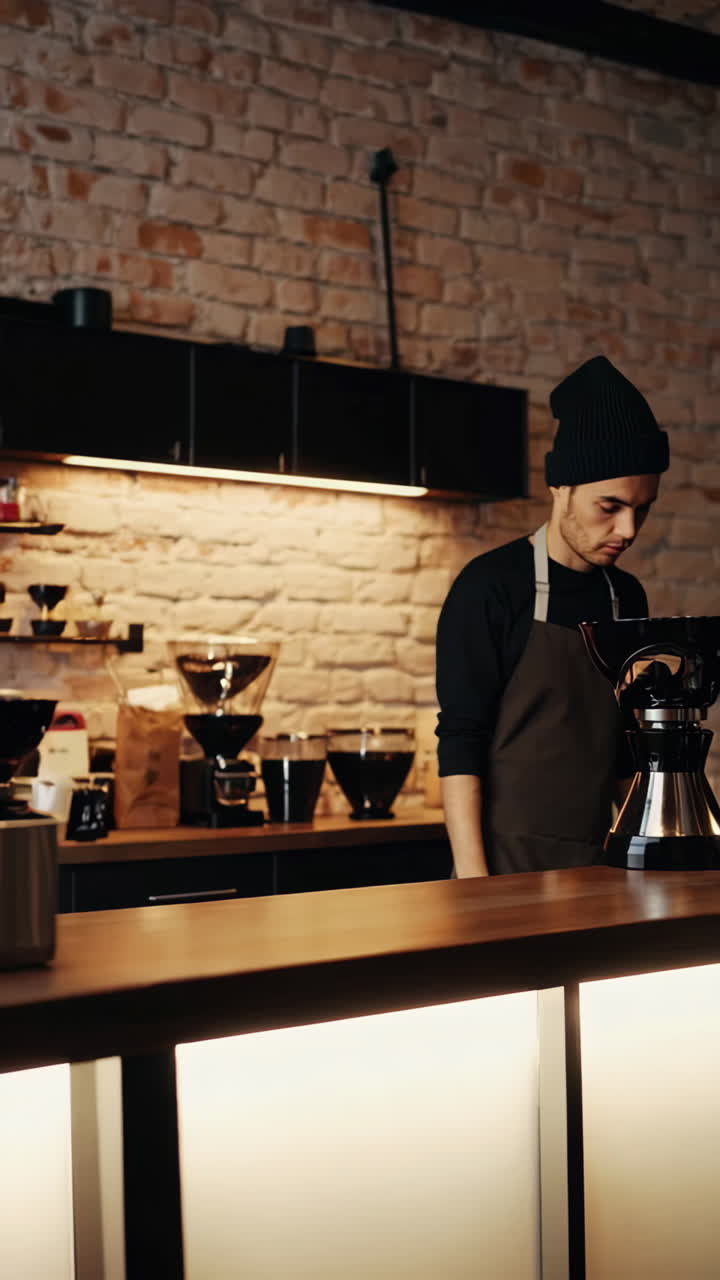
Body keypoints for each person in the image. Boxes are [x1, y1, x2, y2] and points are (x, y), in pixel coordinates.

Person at [435, 355, 669, 877]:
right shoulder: (490, 587)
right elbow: (460, 740)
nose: (628, 529)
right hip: (500, 869)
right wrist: (474, 884)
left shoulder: (624, 599)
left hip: (596, 866)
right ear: (561, 488)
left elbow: (622, 754)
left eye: (643, 509)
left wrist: (655, 850)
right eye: (609, 507)